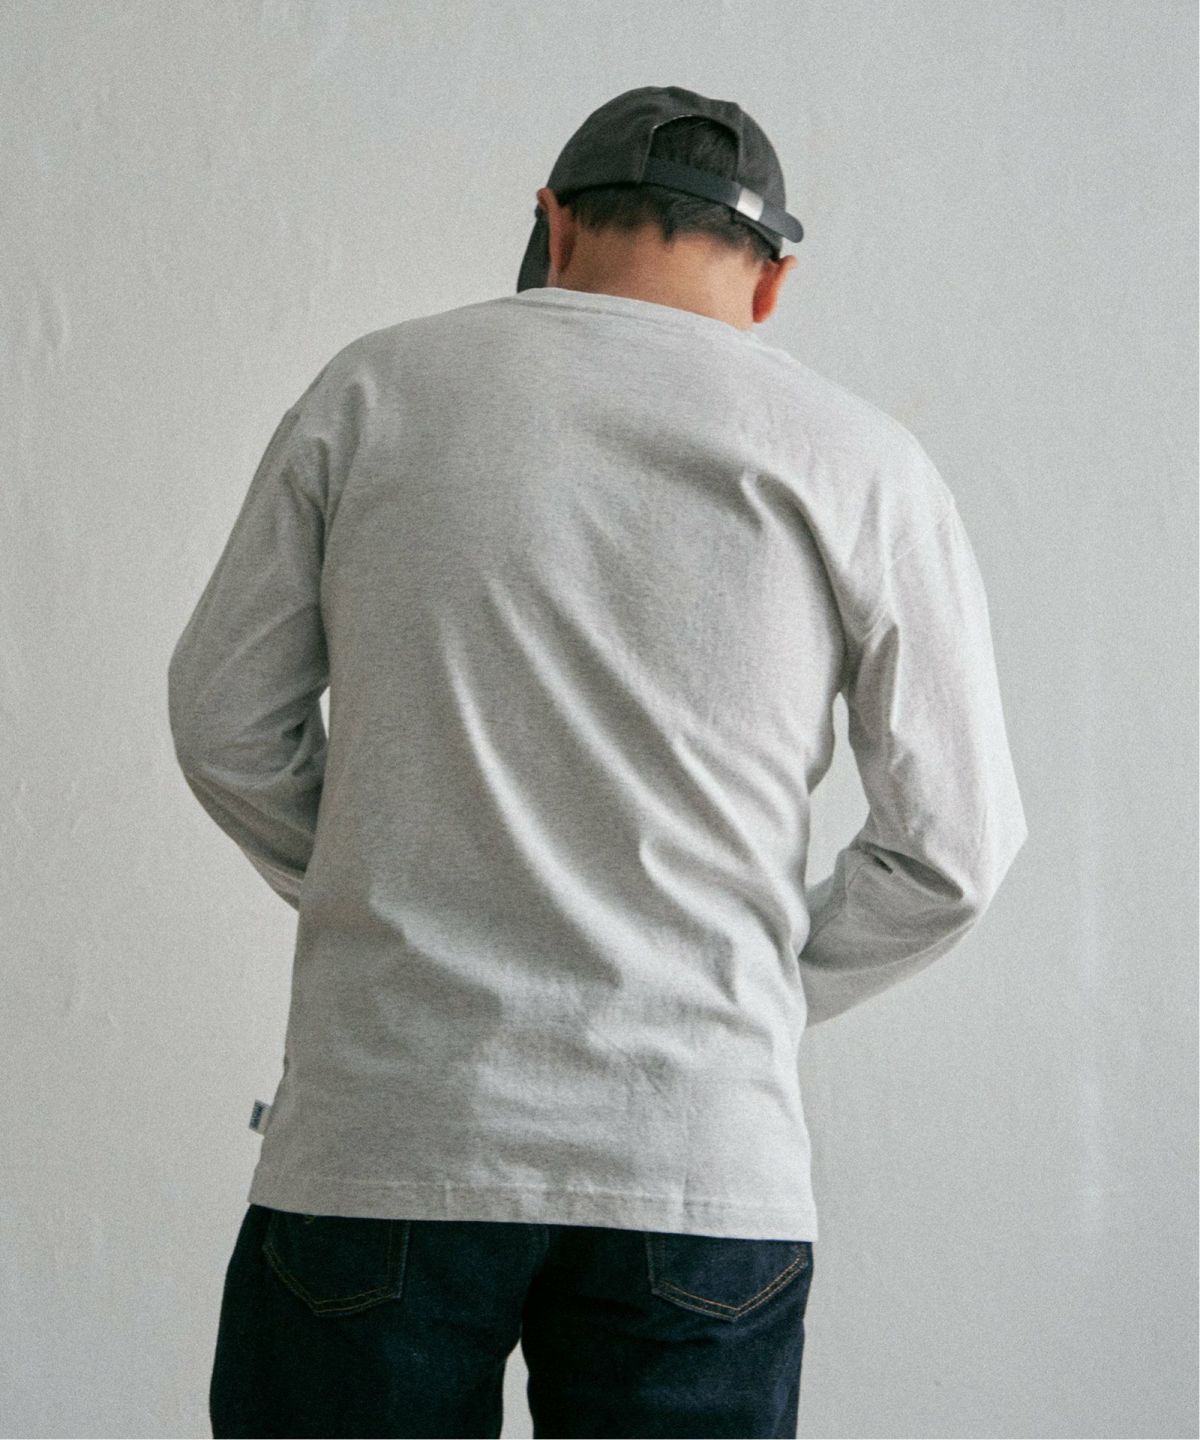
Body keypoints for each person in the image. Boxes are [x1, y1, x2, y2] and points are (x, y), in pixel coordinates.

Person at [169, 85, 1028, 1439]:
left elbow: (225, 718)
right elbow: (958, 848)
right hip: (697, 1156)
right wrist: (745, 987)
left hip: (386, 1135)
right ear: (773, 282)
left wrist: (385, 883)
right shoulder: (865, 465)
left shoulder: (376, 391)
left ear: (552, 225)